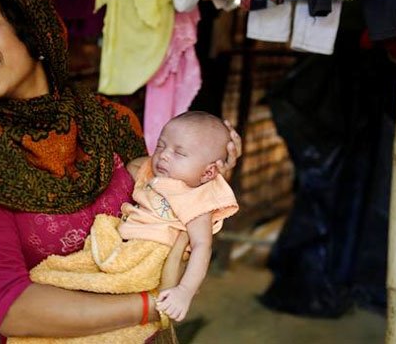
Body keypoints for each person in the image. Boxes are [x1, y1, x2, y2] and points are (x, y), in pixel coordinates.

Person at [0, 0, 241, 341]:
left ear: (32, 28)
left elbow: (164, 210)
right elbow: (10, 306)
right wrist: (156, 304)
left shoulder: (110, 121)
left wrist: (209, 173)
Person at [23, 111, 238, 342]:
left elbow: (202, 246)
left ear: (208, 172)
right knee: (71, 278)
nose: (163, 156)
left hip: (149, 258)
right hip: (125, 245)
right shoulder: (157, 174)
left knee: (101, 293)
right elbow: (137, 167)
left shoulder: (197, 198)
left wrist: (184, 291)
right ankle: (51, 286)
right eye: (161, 146)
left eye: (179, 153)